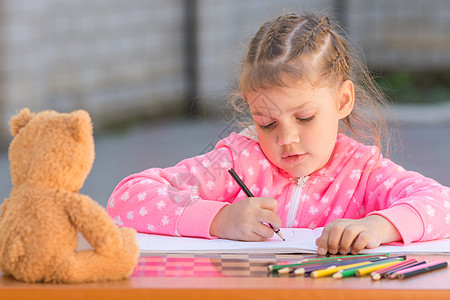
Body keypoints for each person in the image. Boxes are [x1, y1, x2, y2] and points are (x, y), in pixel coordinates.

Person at [107, 13, 450, 255]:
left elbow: (442, 204)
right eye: (267, 122)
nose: (286, 138)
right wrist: (219, 219)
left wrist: (379, 226)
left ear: (343, 100)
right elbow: (127, 200)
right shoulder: (238, 161)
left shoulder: (362, 172)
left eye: (305, 117)